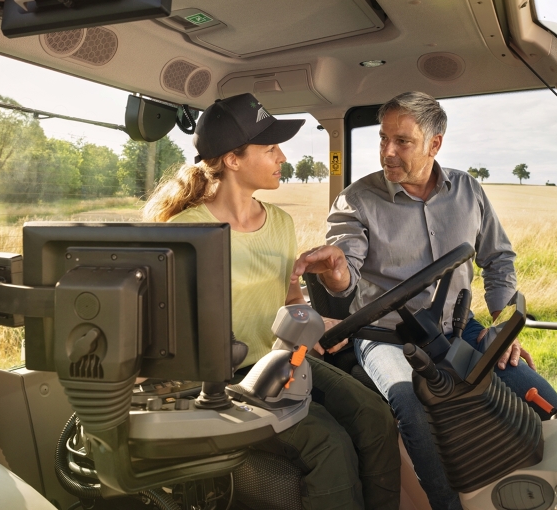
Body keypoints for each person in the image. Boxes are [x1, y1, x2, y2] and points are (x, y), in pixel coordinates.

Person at [293, 91, 557, 510]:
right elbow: (345, 267)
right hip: (383, 335)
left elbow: (498, 259)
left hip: (460, 328)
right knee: (408, 399)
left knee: (541, 399)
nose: (388, 152)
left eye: (402, 141)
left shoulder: (468, 191)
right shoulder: (357, 199)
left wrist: (503, 325)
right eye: (383, 139)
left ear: (435, 144)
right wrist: (337, 270)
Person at [143, 93, 400, 510]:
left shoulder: (280, 223)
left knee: (375, 416)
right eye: (269, 148)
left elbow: (289, 297)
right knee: (329, 445)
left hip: (284, 358)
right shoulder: (184, 231)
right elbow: (162, 321)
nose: (282, 156)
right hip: (224, 378)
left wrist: (315, 323)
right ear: (232, 159)